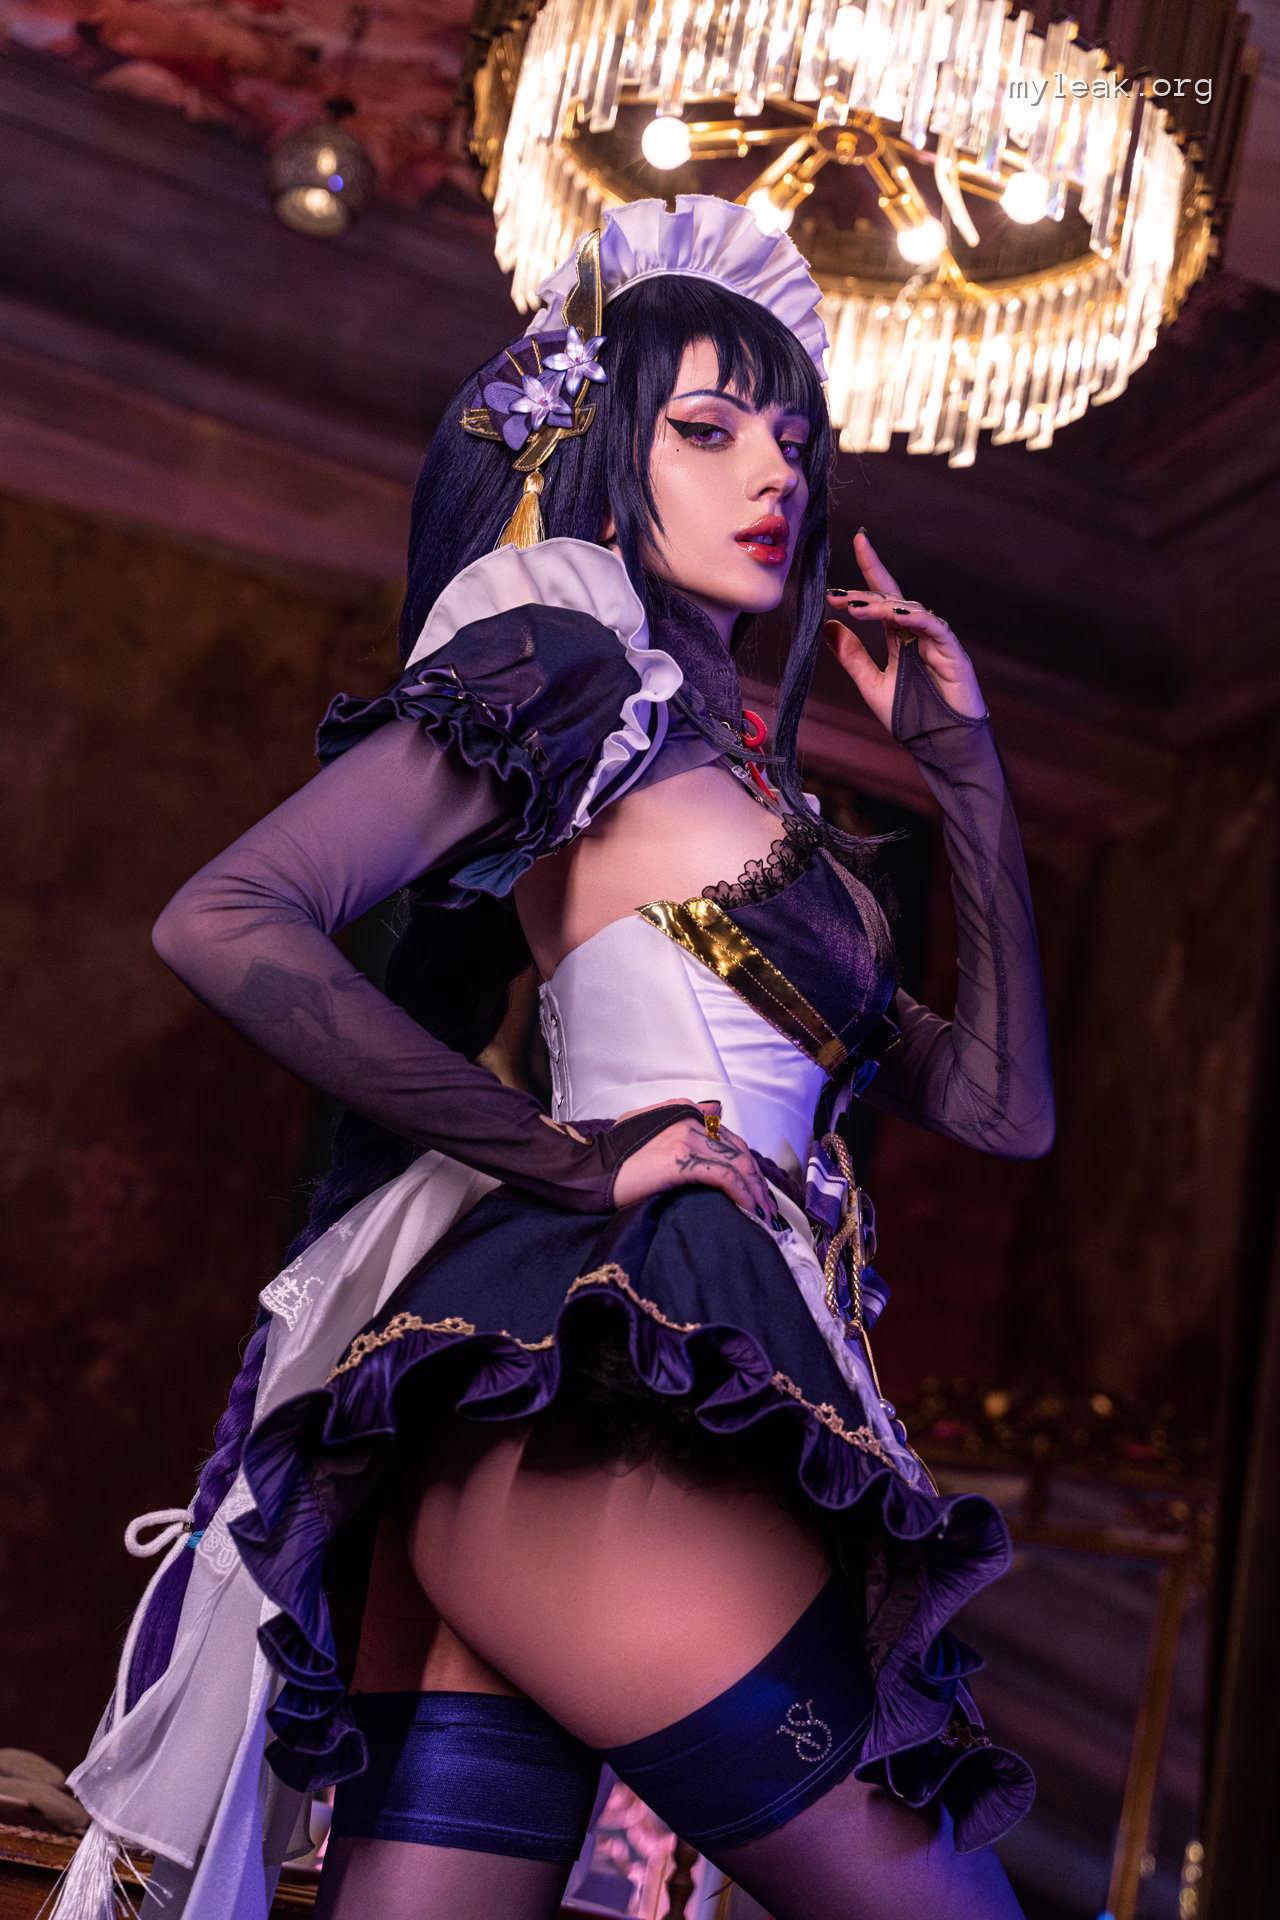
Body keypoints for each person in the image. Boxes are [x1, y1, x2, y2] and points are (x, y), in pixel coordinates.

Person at [56, 197, 1054, 1920]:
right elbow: (228, 919)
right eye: (709, 428)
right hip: (603, 1413)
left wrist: (966, 773)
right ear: (604, 457)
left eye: (794, 439)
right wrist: (568, 1157)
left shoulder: (747, 783)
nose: (777, 472)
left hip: (553, 1446)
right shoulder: (574, 666)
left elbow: (1000, 1107)